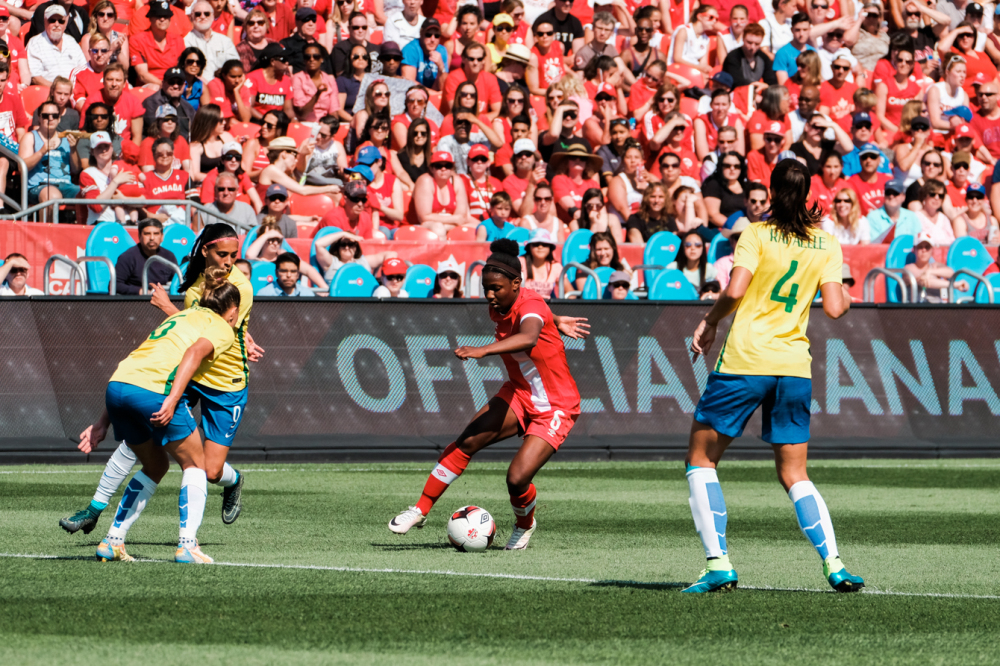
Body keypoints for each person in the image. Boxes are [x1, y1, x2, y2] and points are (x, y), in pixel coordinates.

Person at [681, 158, 863, 594]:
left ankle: (719, 563)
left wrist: (709, 322)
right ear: (807, 193)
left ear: (772, 191)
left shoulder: (756, 234)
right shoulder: (826, 243)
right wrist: (848, 295)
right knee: (795, 473)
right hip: (793, 368)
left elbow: (737, 289)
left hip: (746, 361)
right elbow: (836, 309)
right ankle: (834, 563)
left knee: (701, 461)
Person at [389, 238, 588, 550]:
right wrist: (556, 319)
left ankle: (525, 524)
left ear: (516, 283)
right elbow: (537, 316)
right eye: (486, 288)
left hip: (555, 406)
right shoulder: (505, 304)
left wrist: (483, 350)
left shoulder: (531, 307)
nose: (490, 295)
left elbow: (528, 334)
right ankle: (420, 510)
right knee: (467, 441)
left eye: (496, 288)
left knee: (517, 478)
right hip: (520, 394)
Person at [75, 265, 241, 564]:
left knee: (155, 465)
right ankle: (188, 546)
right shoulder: (222, 327)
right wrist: (173, 399)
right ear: (233, 310)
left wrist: (102, 423)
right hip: (154, 394)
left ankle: (113, 541)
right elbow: (192, 355)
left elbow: (138, 361)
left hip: (117, 386)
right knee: (195, 464)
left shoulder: (181, 316)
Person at [20, 100, 80, 216]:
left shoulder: (66, 139)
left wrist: (73, 150)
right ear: (39, 118)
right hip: (39, 186)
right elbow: (22, 168)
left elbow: (76, 169)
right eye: (46, 116)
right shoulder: (30, 137)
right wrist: (42, 151)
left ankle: (85, 232)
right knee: (53, 196)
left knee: (89, 194)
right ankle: (46, 233)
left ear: (59, 118)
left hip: (65, 185)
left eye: (55, 116)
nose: (50, 118)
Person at [407, 150, 470, 237]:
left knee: (479, 228)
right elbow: (424, 217)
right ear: (432, 168)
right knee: (438, 228)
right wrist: (453, 219)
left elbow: (461, 216)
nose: (443, 169)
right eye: (438, 166)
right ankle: (442, 251)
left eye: (447, 166)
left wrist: (452, 221)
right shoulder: (425, 181)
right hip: (419, 226)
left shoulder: (457, 181)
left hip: (448, 224)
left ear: (452, 169)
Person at [80, 63, 144, 144]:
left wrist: (130, 155)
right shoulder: (92, 101)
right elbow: (84, 133)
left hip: (124, 151)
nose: (114, 84)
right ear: (103, 81)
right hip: (97, 149)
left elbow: (137, 137)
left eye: (118, 80)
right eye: (110, 79)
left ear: (124, 84)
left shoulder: (133, 102)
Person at [113, 219, 179, 295]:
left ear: (162, 237)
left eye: (156, 234)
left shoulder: (169, 256)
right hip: (136, 302)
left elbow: (177, 283)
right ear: (139, 236)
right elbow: (115, 285)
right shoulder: (128, 256)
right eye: (147, 234)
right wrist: (140, 291)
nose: (152, 238)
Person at [129, 1, 186, 87]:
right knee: (154, 88)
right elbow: (142, 75)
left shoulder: (178, 40)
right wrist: (164, 85)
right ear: (150, 18)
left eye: (166, 16)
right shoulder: (137, 40)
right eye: (158, 16)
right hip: (150, 85)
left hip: (174, 83)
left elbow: (183, 69)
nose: (162, 19)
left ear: (170, 19)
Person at [26, 5, 86, 87]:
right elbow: (35, 77)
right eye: (52, 20)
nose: (57, 24)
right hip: (48, 92)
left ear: (65, 23)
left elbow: (83, 69)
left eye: (61, 21)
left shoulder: (71, 41)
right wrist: (59, 89)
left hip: (73, 91)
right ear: (45, 21)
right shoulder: (35, 43)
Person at [200, 141, 263, 212]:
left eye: (237, 157)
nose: (233, 160)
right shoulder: (211, 177)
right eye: (229, 157)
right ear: (222, 160)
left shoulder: (241, 175)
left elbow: (257, 201)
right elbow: (207, 207)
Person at [905, 231, 969, 301]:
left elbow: (950, 272)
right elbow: (925, 282)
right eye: (920, 247)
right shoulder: (909, 268)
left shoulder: (935, 266)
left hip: (937, 307)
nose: (924, 250)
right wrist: (956, 285)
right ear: (914, 249)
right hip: (916, 309)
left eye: (927, 247)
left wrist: (930, 272)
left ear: (932, 250)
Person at [186, 1, 239, 84]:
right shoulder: (186, 42)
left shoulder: (225, 41)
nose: (202, 17)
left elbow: (234, 66)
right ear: (191, 17)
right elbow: (188, 71)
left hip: (224, 86)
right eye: (198, 14)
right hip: (199, 88)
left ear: (212, 16)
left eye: (207, 14)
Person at [314, 230, 397, 283]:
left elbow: (391, 255)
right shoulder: (332, 262)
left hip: (363, 300)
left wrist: (386, 278)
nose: (347, 247)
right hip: (338, 302)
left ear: (356, 247)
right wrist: (343, 233)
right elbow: (318, 244)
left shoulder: (363, 261)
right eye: (343, 244)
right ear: (337, 248)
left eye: (351, 244)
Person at [141, 68, 197, 140]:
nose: (176, 86)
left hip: (183, 147)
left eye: (179, 82)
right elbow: (155, 131)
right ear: (163, 83)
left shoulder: (188, 108)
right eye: (171, 82)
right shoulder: (151, 103)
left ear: (184, 85)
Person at [244, 42, 295, 121]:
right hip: (257, 120)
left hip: (277, 123)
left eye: (287, 59)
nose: (287, 63)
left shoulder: (286, 80)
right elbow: (248, 107)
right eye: (283, 60)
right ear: (272, 61)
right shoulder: (252, 78)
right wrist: (267, 121)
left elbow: (288, 110)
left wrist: (294, 120)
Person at [550, 144, 601, 223]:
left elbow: (599, 207)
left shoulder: (593, 184)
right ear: (566, 161)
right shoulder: (559, 179)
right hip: (566, 225)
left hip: (590, 222)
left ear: (586, 163)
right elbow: (571, 209)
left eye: (582, 158)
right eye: (573, 157)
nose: (578, 160)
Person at [139, 104, 191, 173]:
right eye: (166, 119)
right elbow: (148, 175)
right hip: (157, 182)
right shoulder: (147, 143)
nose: (170, 122)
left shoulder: (180, 140)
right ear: (158, 122)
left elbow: (189, 171)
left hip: (178, 182)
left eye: (173, 119)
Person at [703, 151, 747, 230]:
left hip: (745, 229)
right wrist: (735, 228)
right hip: (722, 230)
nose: (732, 169)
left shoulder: (747, 186)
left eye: (736, 166)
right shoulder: (713, 184)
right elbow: (713, 215)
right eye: (727, 166)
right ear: (721, 167)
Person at [401, 18, 448, 89]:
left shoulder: (442, 50)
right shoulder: (410, 49)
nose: (433, 39)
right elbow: (409, 83)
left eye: (437, 35)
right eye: (428, 34)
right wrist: (431, 93)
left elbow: (443, 88)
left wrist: (441, 67)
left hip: (433, 93)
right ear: (421, 34)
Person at [847, 142, 892, 215]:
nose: (868, 160)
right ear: (860, 160)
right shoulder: (851, 183)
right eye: (864, 157)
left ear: (879, 160)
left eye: (873, 157)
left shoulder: (888, 180)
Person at [332, 11, 380, 77]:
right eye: (356, 27)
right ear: (349, 29)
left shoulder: (376, 49)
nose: (360, 30)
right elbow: (340, 76)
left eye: (364, 27)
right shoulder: (340, 48)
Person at [518, 228, 561, 299]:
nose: (540, 247)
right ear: (529, 247)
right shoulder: (520, 262)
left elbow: (570, 292)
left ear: (550, 247)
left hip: (547, 306)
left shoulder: (555, 266)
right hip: (524, 305)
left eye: (545, 244)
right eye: (536, 244)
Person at [526, 18, 565, 96]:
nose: (545, 36)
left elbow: (561, 65)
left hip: (562, 91)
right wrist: (556, 93)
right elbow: (533, 89)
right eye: (540, 34)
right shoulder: (533, 57)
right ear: (536, 36)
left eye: (549, 33)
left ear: (554, 34)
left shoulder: (560, 46)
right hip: (545, 96)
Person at [915, 178, 957, 246]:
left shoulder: (944, 218)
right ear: (924, 195)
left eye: (941, 195)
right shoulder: (915, 217)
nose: (937, 198)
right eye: (932, 194)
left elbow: (952, 242)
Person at [393, 116, 431, 190]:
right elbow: (399, 175)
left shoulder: (432, 158)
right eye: (415, 133)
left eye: (423, 133)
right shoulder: (400, 156)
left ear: (427, 136)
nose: (419, 136)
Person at [808, 152, 849, 217]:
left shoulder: (846, 186)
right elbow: (811, 213)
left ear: (842, 167)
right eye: (828, 167)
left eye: (836, 167)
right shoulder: (812, 184)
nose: (832, 171)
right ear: (822, 167)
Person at [236, 8, 275, 74]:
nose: (256, 26)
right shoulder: (240, 49)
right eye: (251, 23)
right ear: (245, 27)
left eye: (260, 23)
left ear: (267, 26)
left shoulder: (274, 45)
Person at [337, 42, 371, 117]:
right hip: (350, 120)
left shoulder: (374, 80)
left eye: (364, 57)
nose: (360, 59)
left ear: (368, 61)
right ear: (349, 59)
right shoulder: (342, 80)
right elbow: (339, 110)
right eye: (356, 56)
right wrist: (354, 122)